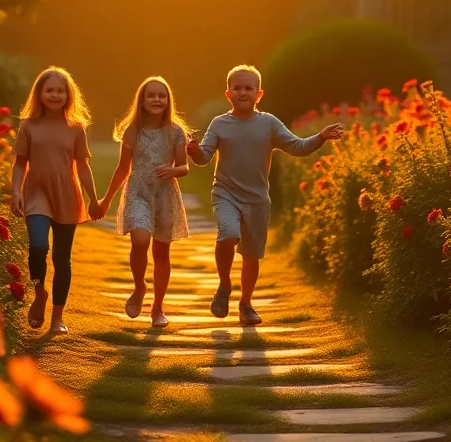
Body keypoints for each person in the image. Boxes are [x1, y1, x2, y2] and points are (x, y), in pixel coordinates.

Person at [187, 65, 343, 325]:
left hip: (258, 200)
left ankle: (246, 304)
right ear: (228, 94)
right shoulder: (219, 123)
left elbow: (297, 146)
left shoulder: (269, 123)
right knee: (228, 234)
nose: (243, 92)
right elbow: (204, 157)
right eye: (237, 88)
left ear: (259, 94)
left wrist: (320, 137)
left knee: (251, 255)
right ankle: (224, 286)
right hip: (225, 193)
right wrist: (193, 151)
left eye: (248, 88)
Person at [10, 66, 102, 334]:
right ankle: (39, 293)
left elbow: (83, 166)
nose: (55, 94)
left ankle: (57, 317)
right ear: (39, 94)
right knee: (38, 247)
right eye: (49, 90)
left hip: (66, 193)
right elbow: (20, 164)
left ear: (68, 95)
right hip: (37, 190)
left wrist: (94, 199)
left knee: (63, 258)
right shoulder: (28, 126)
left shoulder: (76, 128)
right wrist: (15, 191)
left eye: (60, 90)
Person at [97, 76, 192, 328]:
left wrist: (174, 170)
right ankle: (139, 287)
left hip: (165, 193)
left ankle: (158, 308)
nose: (156, 99)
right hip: (138, 190)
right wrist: (106, 200)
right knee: (140, 240)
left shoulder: (175, 131)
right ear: (142, 99)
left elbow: (184, 167)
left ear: (168, 100)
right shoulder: (132, 131)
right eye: (151, 95)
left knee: (161, 253)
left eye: (161, 95)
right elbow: (122, 168)